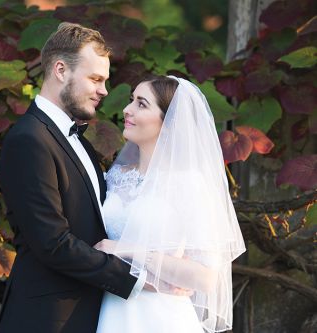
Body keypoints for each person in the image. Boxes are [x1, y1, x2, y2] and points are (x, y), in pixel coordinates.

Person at [0, 22, 145, 333]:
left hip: (93, 314)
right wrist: (139, 280)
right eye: (95, 79)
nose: (104, 90)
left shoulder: (78, 141)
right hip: (48, 319)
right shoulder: (29, 140)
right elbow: (53, 243)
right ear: (61, 70)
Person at [94, 76, 246, 333]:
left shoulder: (188, 184)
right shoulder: (115, 177)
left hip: (161, 317)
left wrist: (127, 249)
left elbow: (206, 278)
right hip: (111, 309)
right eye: (132, 100)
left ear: (168, 123)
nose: (127, 110)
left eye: (141, 104)